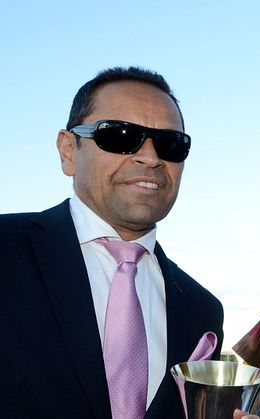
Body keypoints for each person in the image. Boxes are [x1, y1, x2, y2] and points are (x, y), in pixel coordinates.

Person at [0, 67, 224, 419]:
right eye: (119, 135)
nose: (150, 157)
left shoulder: (203, 311)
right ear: (68, 151)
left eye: (170, 144)